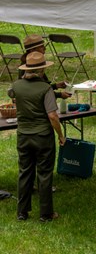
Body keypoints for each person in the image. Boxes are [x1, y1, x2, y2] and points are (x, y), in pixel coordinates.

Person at [8, 51, 66, 222]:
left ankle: (22, 212)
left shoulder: (16, 85)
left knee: (24, 172)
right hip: (42, 136)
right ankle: (46, 213)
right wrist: (61, 135)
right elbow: (53, 116)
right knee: (44, 174)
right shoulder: (45, 88)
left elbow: (11, 94)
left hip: (23, 136)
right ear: (41, 70)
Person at [19, 35, 72, 101]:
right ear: (32, 50)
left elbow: (41, 86)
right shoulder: (27, 68)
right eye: (41, 46)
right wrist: (59, 95)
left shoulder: (34, 62)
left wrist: (56, 86)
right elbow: (36, 92)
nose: (45, 48)